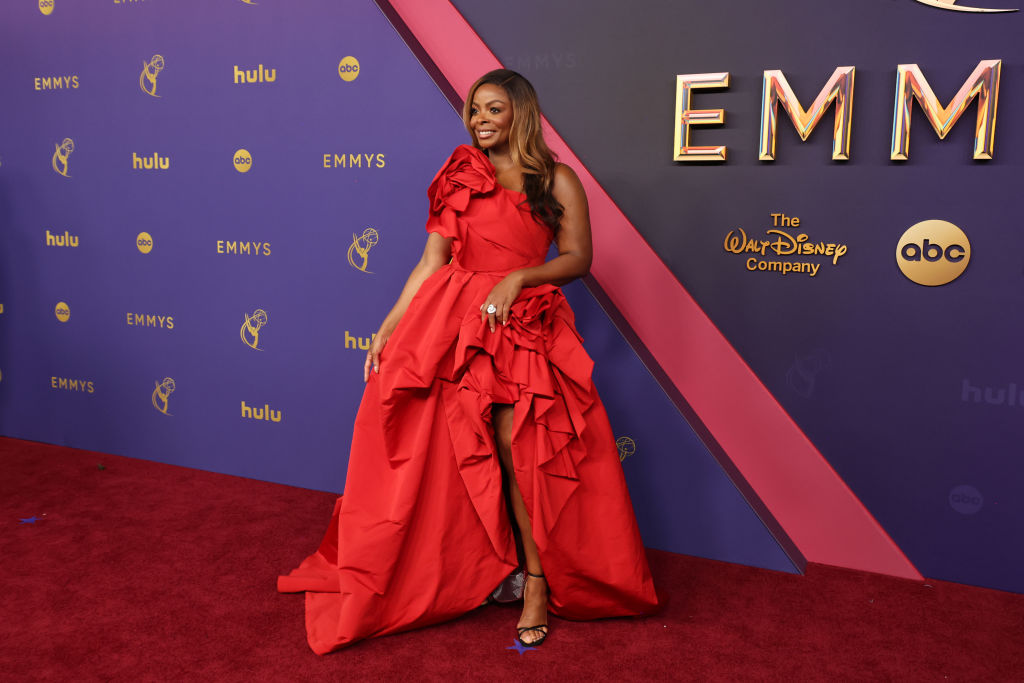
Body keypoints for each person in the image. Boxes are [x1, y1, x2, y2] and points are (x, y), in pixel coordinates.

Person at [278, 69, 657, 654]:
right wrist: (385, 329)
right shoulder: (460, 175)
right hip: (452, 324)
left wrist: (520, 277)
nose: (480, 120)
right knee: (452, 449)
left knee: (518, 450)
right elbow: (430, 264)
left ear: (521, 114)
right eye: (474, 109)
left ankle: (536, 581)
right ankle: (483, 569)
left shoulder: (556, 180)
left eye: (494, 109)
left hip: (520, 324)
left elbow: (579, 258)